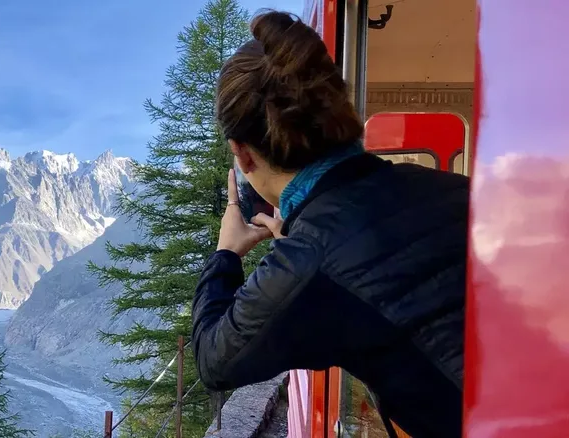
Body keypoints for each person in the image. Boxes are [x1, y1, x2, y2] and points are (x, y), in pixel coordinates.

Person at [191, 10, 468, 438]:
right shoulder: (454, 188)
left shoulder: (310, 260)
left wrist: (226, 253)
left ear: (242, 155)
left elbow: (214, 359)